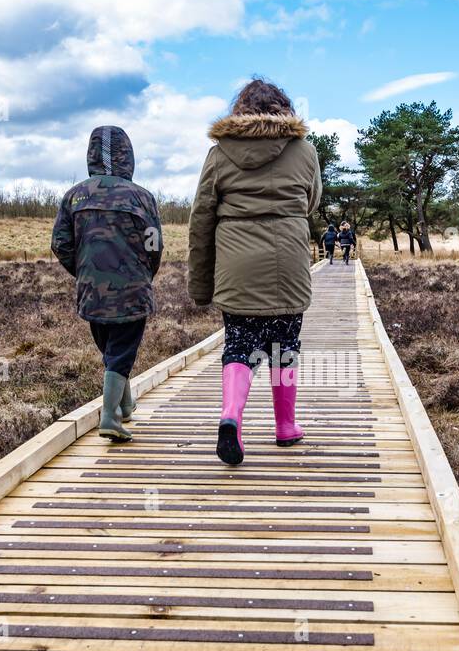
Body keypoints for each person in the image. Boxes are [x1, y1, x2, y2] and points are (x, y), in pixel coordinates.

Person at [188, 77, 322, 465]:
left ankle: (231, 416)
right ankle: (285, 426)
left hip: (237, 268)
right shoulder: (305, 151)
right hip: (290, 266)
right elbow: (311, 202)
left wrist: (200, 284)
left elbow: (201, 221)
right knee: (285, 348)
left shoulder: (218, 155)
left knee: (238, 346)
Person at [51, 125, 163, 443]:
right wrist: (144, 273)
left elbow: (60, 243)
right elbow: (154, 244)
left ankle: (125, 405)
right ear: (128, 156)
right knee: (121, 351)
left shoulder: (74, 196)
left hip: (92, 293)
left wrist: (85, 272)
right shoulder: (143, 198)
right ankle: (110, 416)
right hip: (132, 290)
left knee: (112, 351)